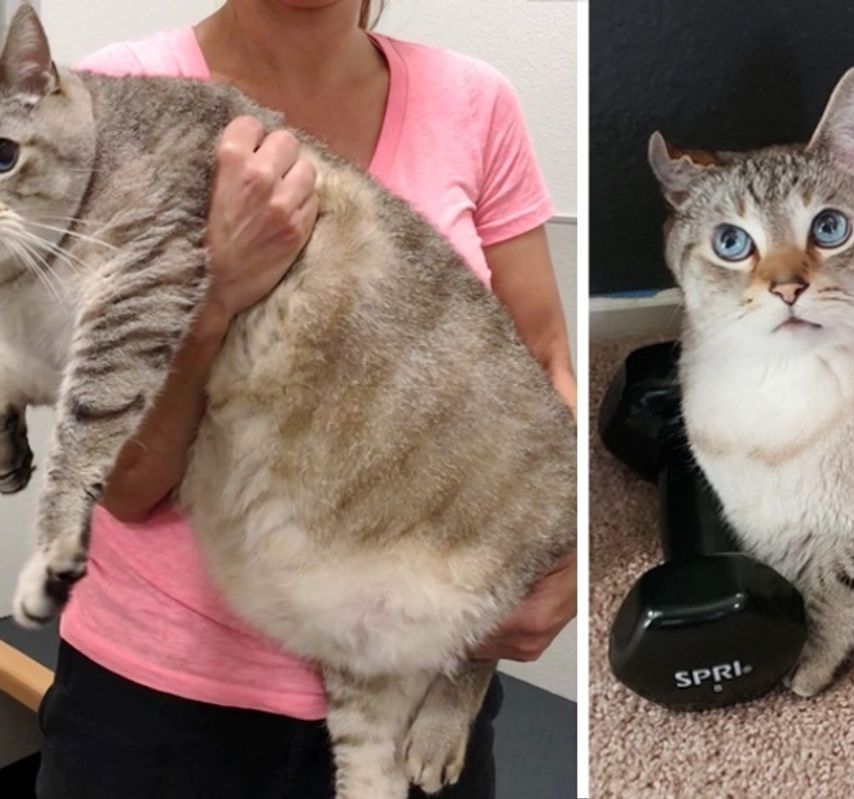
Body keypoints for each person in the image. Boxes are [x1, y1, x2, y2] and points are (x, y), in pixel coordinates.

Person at [35, 1, 577, 797]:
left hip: (415, 676)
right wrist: (217, 292)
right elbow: (129, 486)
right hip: (162, 702)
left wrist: (563, 562)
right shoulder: (123, 94)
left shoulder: (473, 100)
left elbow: (545, 361)